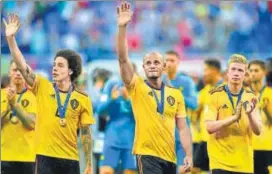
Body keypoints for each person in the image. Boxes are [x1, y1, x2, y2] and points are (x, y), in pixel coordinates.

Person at [3, 13, 95, 174]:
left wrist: (88, 162)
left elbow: (86, 133)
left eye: (60, 65)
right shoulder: (42, 87)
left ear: (71, 70)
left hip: (71, 159)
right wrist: (11, 39)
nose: (54, 68)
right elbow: (22, 66)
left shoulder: (83, 99)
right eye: (54, 65)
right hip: (45, 158)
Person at [116, 2, 192, 174]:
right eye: (148, 63)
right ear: (143, 67)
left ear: (164, 66)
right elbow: (122, 59)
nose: (152, 65)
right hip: (147, 155)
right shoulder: (137, 86)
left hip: (170, 157)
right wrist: (122, 28)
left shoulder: (175, 94)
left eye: (156, 62)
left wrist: (188, 154)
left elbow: (183, 127)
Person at [205, 54, 262, 174]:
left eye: (240, 70)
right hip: (220, 162)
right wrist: (234, 118)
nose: (236, 73)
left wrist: (250, 114)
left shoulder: (251, 96)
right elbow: (209, 127)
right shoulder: (214, 94)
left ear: (245, 74)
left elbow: (258, 131)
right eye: (233, 69)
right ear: (227, 72)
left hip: (244, 163)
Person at [163, 50, 198, 174]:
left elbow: (194, 104)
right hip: (162, 134)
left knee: (183, 170)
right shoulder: (156, 81)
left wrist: (176, 94)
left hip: (181, 133)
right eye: (166, 60)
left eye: (172, 60)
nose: (168, 63)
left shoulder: (186, 82)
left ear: (178, 62)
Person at [1, 60, 37, 174]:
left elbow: (31, 124)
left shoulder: (33, 96)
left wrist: (14, 106)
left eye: (21, 70)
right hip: (5, 156)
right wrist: (7, 109)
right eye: (15, 70)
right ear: (9, 73)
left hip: (27, 157)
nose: (18, 73)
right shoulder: (1, 94)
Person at [97, 75, 136, 174]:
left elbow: (144, 116)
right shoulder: (111, 84)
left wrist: (128, 100)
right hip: (112, 139)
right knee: (106, 171)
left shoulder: (139, 87)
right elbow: (100, 110)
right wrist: (112, 100)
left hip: (131, 142)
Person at [194, 59, 223, 174]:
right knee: (194, 169)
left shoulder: (224, 90)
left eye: (206, 70)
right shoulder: (205, 91)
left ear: (214, 71)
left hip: (218, 141)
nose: (203, 73)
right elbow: (198, 112)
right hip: (204, 139)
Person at [248, 60, 272, 174]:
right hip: (248, 147)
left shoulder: (270, 93)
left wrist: (267, 109)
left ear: (264, 72)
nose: (253, 73)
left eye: (256, 70)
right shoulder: (244, 95)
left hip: (267, 146)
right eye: (251, 70)